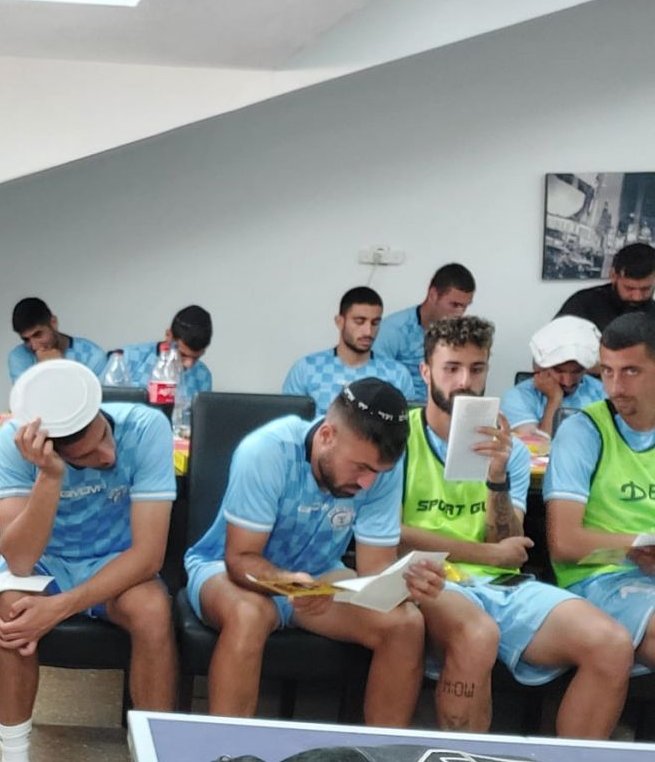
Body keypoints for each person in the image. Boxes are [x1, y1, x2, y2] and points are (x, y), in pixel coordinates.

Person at [399, 316, 630, 737]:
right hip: (428, 578)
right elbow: (391, 537)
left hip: (500, 584)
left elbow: (508, 548)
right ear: (426, 371)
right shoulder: (399, 439)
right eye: (452, 368)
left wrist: (497, 477)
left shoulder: (512, 452)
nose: (465, 381)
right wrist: (486, 554)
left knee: (611, 644)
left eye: (476, 368)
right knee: (477, 634)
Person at [0, 362, 177, 762]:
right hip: (45, 563)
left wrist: (61, 608)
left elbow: (149, 555)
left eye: (103, 437)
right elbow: (19, 560)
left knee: (154, 612)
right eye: (88, 456)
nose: (107, 454)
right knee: (10, 609)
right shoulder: (12, 445)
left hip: (118, 562)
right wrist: (50, 477)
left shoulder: (147, 427)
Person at [184, 378, 444, 723]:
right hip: (226, 569)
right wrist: (290, 583)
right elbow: (239, 558)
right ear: (326, 435)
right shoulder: (267, 451)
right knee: (249, 614)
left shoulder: (381, 471)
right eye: (361, 467)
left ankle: (382, 753)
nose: (368, 482)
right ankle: (226, 752)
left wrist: (406, 584)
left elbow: (374, 567)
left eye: (378, 472)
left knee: (406, 624)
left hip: (319, 577)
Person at [546, 312, 655, 677]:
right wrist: (633, 548)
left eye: (630, 371)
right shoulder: (583, 431)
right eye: (607, 372)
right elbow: (564, 544)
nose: (615, 387)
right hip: (601, 578)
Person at [281, 285, 413, 410]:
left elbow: (408, 422)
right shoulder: (306, 369)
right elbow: (290, 420)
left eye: (375, 323)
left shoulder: (397, 374)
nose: (368, 331)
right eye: (359, 321)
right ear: (340, 322)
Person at [376, 263, 476, 404]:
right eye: (454, 305)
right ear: (433, 294)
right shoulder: (392, 330)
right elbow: (375, 383)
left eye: (464, 306)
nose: (459, 313)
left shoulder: (460, 334)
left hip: (447, 409)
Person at [499, 315, 605, 436]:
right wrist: (554, 399)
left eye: (577, 371)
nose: (568, 381)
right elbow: (536, 446)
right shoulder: (518, 397)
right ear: (540, 368)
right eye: (559, 371)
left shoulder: (602, 392)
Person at [556, 241, 655, 333]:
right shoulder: (582, 305)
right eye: (629, 288)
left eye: (645, 289)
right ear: (613, 276)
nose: (637, 297)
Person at [119, 304, 214, 399]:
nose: (189, 364)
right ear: (169, 335)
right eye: (182, 355)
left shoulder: (203, 375)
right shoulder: (127, 358)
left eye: (196, 357)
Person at [7, 297, 108, 381]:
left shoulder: (92, 355)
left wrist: (60, 367)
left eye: (38, 335)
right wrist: (43, 368)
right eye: (26, 340)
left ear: (53, 322)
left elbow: (95, 398)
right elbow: (27, 398)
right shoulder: (19, 357)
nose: (34, 346)